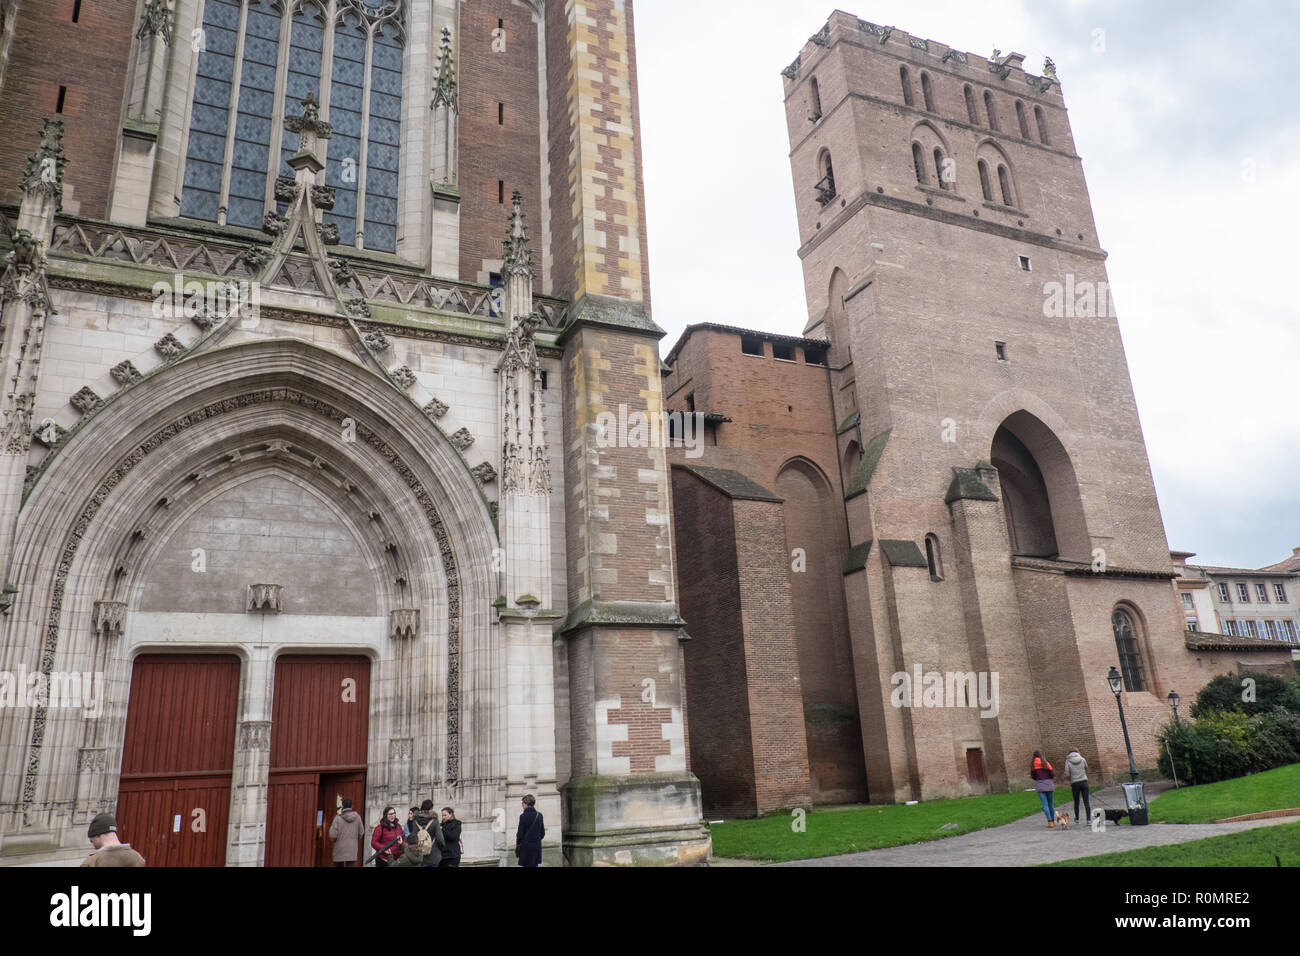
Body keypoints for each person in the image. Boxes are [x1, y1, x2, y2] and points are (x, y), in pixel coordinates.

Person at [81, 813, 146, 867]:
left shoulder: (92, 862)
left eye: (91, 840)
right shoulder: (137, 859)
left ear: (97, 835)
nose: (93, 845)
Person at [407, 799, 444, 867]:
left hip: (420, 857)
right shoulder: (435, 821)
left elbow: (413, 838)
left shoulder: (415, 822)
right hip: (434, 856)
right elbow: (440, 839)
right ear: (431, 808)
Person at [329, 798, 365, 867]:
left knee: (339, 864)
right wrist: (355, 839)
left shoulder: (338, 818)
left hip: (339, 848)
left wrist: (335, 841)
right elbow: (361, 832)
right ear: (352, 806)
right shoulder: (357, 817)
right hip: (352, 848)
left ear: (342, 806)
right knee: (350, 864)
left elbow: (333, 834)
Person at [1064, 748, 1092, 827]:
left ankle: (1077, 819)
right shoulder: (1082, 759)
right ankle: (1089, 820)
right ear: (1077, 752)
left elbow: (1067, 773)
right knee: (1086, 802)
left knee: (1076, 802)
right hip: (1084, 781)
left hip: (1075, 783)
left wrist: (1071, 778)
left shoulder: (1068, 761)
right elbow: (1086, 767)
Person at [515, 794, 544, 867]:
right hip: (536, 847)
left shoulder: (523, 816)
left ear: (526, 804)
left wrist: (518, 844)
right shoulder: (539, 815)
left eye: (522, 803)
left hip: (526, 848)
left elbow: (519, 835)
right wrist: (535, 840)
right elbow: (542, 833)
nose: (522, 805)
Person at [1031, 751, 1056, 828]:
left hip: (1040, 786)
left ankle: (1049, 821)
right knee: (1050, 803)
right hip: (1049, 785)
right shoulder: (1046, 763)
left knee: (1045, 804)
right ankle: (1053, 819)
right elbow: (1052, 774)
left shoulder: (1033, 765)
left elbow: (1033, 776)